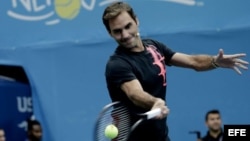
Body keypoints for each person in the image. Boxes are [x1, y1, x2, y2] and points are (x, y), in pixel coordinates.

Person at [102, 2, 249, 141]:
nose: (125, 35)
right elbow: (135, 94)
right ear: (110, 34)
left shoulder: (154, 47)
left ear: (136, 21)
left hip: (160, 136)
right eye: (118, 31)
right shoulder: (117, 64)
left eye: (128, 26)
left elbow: (194, 62)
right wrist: (155, 102)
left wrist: (215, 61)